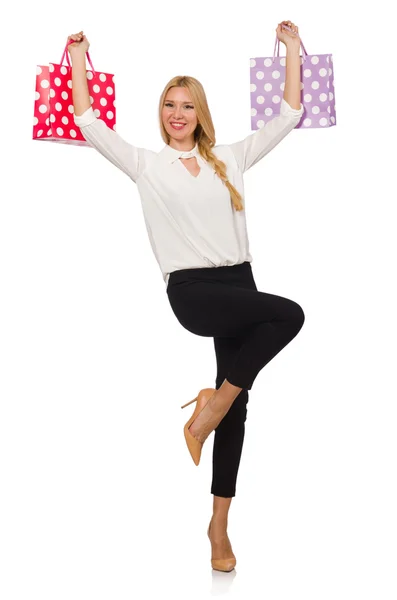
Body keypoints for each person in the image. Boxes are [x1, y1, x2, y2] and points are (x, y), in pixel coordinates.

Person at [67, 20, 305, 572]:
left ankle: (218, 524)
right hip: (193, 290)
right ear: (162, 113)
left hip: (239, 282)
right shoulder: (147, 165)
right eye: (170, 105)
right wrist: (79, 56)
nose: (178, 114)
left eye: (188, 105)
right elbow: (86, 120)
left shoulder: (232, 157)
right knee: (290, 314)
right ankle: (213, 404)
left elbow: (289, 115)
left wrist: (292, 48)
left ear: (201, 112)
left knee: (240, 405)